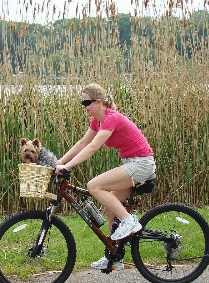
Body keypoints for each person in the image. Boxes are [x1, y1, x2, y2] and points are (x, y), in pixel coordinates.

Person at [55, 83, 156, 271]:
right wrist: (58, 162)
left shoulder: (111, 118)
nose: (83, 106)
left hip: (141, 163)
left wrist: (67, 167)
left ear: (99, 102)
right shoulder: (97, 120)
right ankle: (114, 257)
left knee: (93, 186)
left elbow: (93, 147)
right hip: (130, 163)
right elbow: (83, 142)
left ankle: (129, 221)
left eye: (86, 102)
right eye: (82, 102)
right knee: (110, 209)